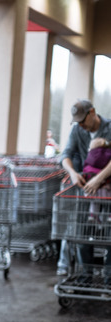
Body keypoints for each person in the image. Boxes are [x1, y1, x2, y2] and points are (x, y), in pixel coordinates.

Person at [58, 99, 111, 277]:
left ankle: (108, 278)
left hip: (108, 188)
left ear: (93, 112)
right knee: (82, 233)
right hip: (86, 189)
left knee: (110, 235)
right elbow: (66, 154)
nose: (81, 125)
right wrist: (72, 172)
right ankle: (86, 276)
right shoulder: (77, 130)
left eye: (83, 120)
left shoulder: (109, 127)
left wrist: (99, 179)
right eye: (77, 122)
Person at [82, 137, 111, 222]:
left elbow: (85, 169)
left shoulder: (90, 157)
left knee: (95, 202)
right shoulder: (108, 155)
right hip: (108, 189)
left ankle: (93, 215)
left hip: (93, 189)